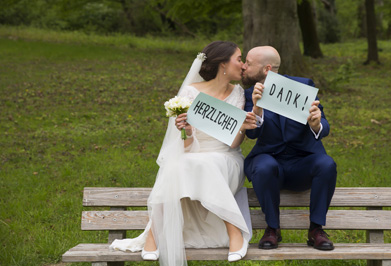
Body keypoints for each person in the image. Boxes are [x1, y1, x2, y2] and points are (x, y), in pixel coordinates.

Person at [109, 41, 257, 265]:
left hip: (226, 159)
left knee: (201, 163)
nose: (243, 65)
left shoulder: (238, 93)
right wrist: (186, 131)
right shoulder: (191, 92)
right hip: (194, 156)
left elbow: (234, 143)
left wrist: (242, 129)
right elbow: (186, 146)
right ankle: (153, 234)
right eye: (239, 59)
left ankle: (234, 230)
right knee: (178, 163)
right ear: (222, 64)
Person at [241, 46, 337, 251]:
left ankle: (316, 229)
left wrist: (316, 124)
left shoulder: (302, 86)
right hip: (269, 160)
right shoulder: (250, 93)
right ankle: (272, 229)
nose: (243, 66)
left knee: (327, 163)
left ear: (266, 69)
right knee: (264, 166)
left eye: (248, 63)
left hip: (302, 162)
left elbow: (324, 125)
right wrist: (256, 109)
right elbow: (252, 134)